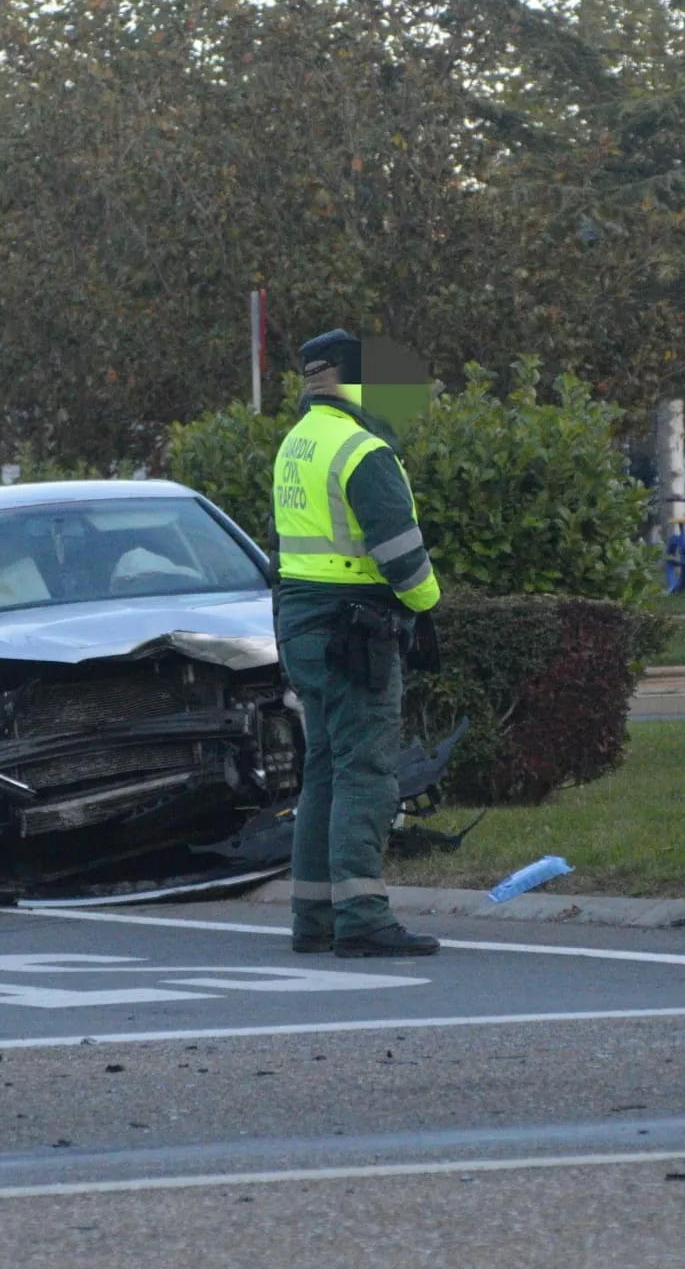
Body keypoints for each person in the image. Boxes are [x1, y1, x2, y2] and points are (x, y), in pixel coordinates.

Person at [271, 328, 443, 959]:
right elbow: (400, 551)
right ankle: (363, 917)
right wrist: (426, 606)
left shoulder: (298, 442)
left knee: (324, 770)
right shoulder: (362, 449)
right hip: (354, 630)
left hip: (303, 625)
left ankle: (313, 915)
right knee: (365, 772)